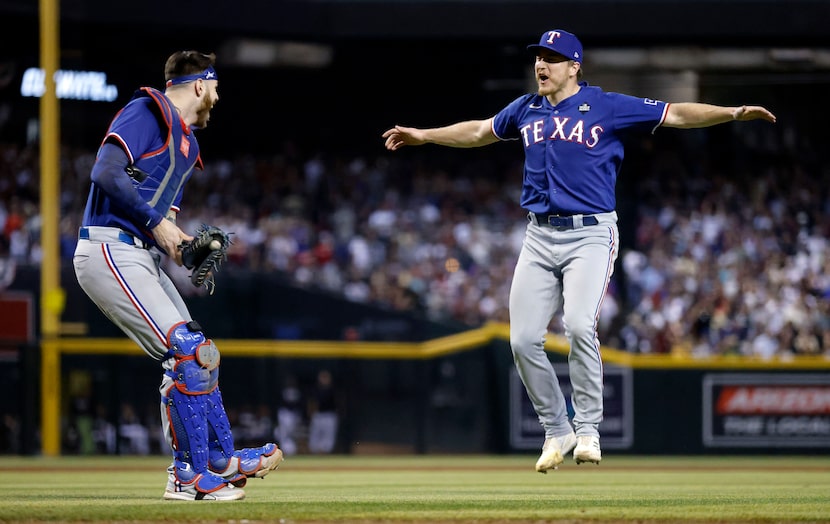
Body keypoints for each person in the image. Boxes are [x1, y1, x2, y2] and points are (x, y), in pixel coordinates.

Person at [382, 29, 776, 472]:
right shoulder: (525, 109)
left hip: (590, 233)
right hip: (538, 236)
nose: (541, 65)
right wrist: (424, 135)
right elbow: (477, 131)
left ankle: (588, 429)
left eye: (552, 58)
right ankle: (557, 430)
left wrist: (732, 112)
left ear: (574, 67)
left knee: (579, 324)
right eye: (538, 58)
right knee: (523, 339)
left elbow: (676, 113)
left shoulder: (605, 105)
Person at [73, 51, 283, 500]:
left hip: (139, 253)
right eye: (217, 88)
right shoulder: (149, 109)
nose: (219, 98)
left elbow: (163, 229)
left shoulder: (187, 144)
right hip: (108, 246)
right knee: (186, 352)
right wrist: (157, 225)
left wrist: (187, 252)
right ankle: (186, 476)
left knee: (201, 355)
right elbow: (105, 171)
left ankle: (217, 461)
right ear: (201, 85)